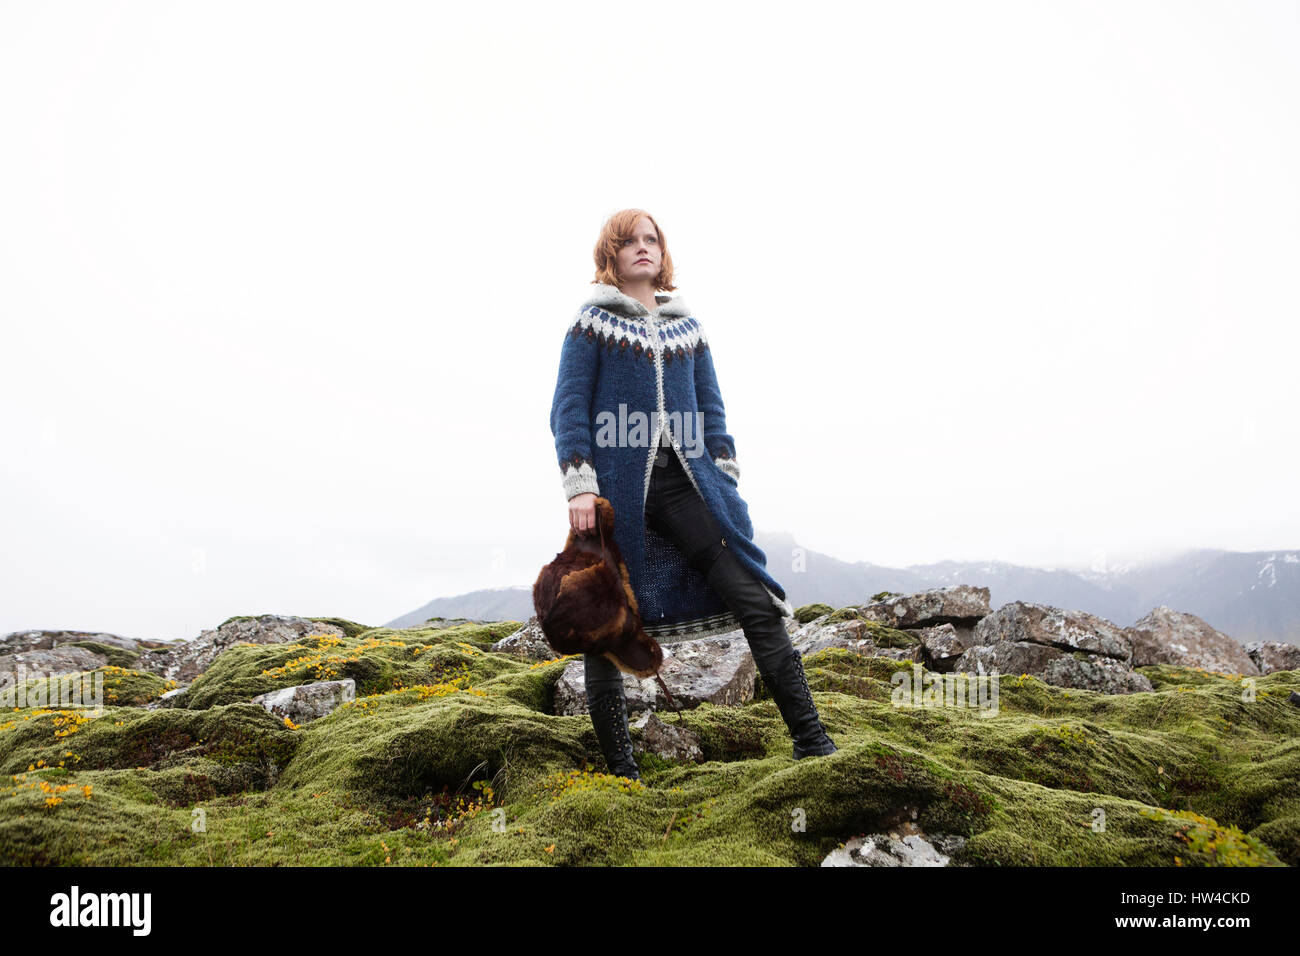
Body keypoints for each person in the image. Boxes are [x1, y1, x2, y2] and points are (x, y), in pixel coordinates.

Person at [549, 208, 837, 782]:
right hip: (615, 494)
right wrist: (580, 483)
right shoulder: (592, 323)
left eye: (651, 239)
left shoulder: (688, 328)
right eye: (629, 241)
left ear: (663, 251)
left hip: (686, 484)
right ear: (612, 252)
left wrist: (723, 471)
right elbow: (569, 406)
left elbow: (712, 408)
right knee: (606, 619)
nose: (642, 248)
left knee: (753, 597)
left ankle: (813, 742)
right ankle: (622, 774)